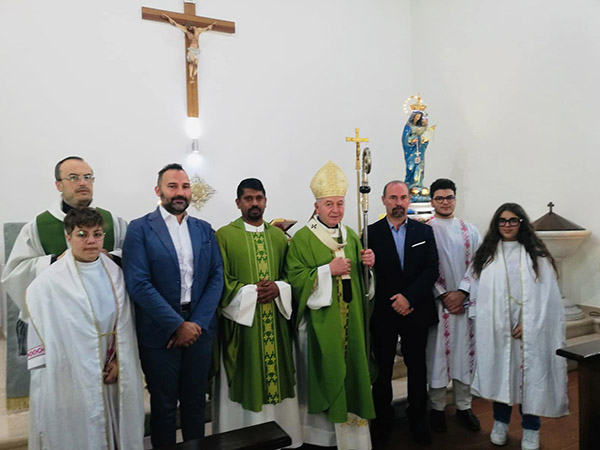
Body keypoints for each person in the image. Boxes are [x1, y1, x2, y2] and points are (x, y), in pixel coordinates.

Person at [122, 163, 224, 447]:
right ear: (158, 190)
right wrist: (176, 325)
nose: (180, 192)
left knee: (195, 403)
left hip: (199, 330)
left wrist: (197, 323)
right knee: (164, 406)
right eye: (173, 186)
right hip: (160, 332)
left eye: (185, 186)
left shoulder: (204, 230)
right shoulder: (140, 229)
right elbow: (138, 282)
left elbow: (216, 277)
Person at [26, 208, 144, 450]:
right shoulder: (48, 283)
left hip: (112, 373)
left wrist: (119, 362)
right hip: (72, 377)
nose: (91, 241)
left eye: (97, 234)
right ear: (68, 237)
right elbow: (40, 332)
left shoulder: (117, 274)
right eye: (82, 234)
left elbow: (127, 324)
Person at [285, 161, 375, 450]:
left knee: (352, 374)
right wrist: (326, 271)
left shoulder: (351, 236)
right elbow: (294, 278)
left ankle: (353, 439)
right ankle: (322, 440)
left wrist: (368, 267)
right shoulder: (303, 238)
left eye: (340, 203)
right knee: (325, 373)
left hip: (352, 323)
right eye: (328, 204)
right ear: (316, 207)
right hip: (320, 326)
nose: (335, 210)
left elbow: (363, 286)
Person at [2, 156, 127, 350]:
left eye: (87, 177)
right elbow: (14, 274)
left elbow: (134, 258)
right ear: (58, 185)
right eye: (74, 177)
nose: (83, 182)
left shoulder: (113, 222)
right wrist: (53, 261)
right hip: (58, 324)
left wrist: (112, 258)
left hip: (105, 324)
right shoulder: (37, 227)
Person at [470, 203, 568, 450]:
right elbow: (479, 293)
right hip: (498, 328)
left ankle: (531, 429)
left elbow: (548, 297)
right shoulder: (487, 255)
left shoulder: (536, 254)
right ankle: (500, 423)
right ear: (496, 224)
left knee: (529, 380)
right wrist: (493, 322)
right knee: (502, 376)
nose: (507, 225)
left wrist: (530, 323)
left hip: (529, 329)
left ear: (521, 223)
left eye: (513, 220)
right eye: (502, 220)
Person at [213, 178, 302, 447]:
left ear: (265, 201)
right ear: (238, 202)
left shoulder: (278, 237)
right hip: (243, 329)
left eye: (259, 198)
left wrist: (278, 288)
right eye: (248, 198)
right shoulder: (224, 236)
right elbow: (220, 281)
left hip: (276, 324)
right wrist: (252, 292)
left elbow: (291, 276)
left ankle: (283, 438)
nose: (254, 203)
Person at [368, 180, 439, 445]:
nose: (398, 203)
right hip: (384, 313)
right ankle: (382, 422)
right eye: (393, 198)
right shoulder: (370, 233)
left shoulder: (424, 231)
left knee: (417, 368)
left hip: (415, 309)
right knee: (383, 370)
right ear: (384, 200)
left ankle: (417, 419)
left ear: (409, 200)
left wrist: (409, 297)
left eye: (403, 197)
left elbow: (431, 269)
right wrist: (395, 299)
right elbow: (371, 275)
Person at [425, 178, 481, 433]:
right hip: (437, 306)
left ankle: (464, 407)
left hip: (465, 305)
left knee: (464, 357)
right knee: (436, 358)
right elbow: (423, 267)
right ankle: (437, 409)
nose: (445, 202)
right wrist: (443, 294)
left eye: (449, 197)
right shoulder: (425, 230)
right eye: (440, 198)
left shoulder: (470, 230)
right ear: (432, 201)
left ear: (455, 199)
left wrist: (462, 292)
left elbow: (479, 264)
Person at [162, 14, 216, 80]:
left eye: (190, 28)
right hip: (192, 48)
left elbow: (207, 28)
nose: (189, 29)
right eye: (188, 28)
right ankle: (191, 76)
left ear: (192, 26)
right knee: (192, 62)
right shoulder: (187, 31)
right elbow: (175, 24)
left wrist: (213, 25)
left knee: (196, 64)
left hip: (197, 50)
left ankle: (193, 76)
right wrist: (167, 18)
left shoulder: (198, 31)